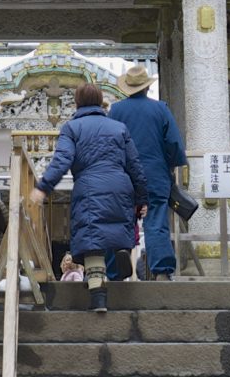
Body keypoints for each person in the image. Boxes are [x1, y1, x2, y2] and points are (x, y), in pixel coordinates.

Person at [30, 83, 148, 313]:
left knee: (93, 243)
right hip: (120, 185)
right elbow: (135, 165)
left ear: (77, 103)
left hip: (89, 187)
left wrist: (43, 187)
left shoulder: (72, 128)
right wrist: (142, 199)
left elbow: (62, 160)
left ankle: (98, 298)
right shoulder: (118, 127)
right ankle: (121, 250)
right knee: (115, 230)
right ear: (101, 101)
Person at [105, 64, 186, 281]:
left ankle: (115, 271)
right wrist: (170, 164)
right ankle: (161, 271)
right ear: (146, 88)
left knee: (120, 221)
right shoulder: (161, 109)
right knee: (156, 221)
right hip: (155, 175)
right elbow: (174, 144)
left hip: (124, 177)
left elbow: (110, 145)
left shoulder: (116, 111)